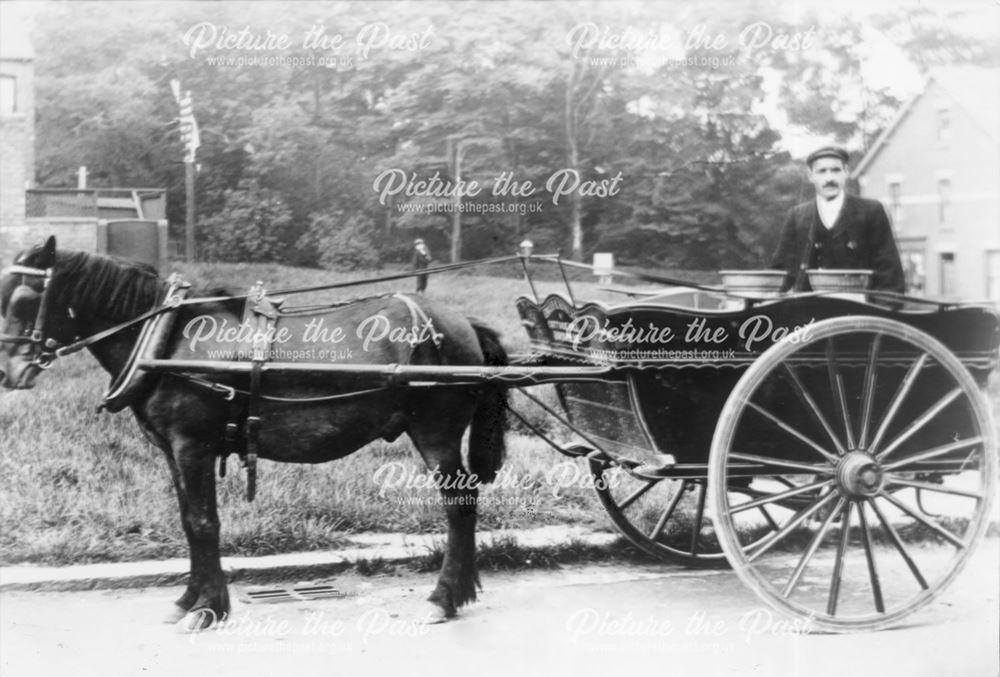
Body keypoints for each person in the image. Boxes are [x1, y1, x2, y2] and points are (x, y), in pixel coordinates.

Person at [771, 146, 905, 293]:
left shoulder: (871, 211)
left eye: (836, 170)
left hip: (858, 307)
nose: (829, 178)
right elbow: (781, 271)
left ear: (846, 172)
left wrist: (881, 310)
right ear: (811, 176)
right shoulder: (797, 217)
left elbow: (889, 272)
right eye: (822, 171)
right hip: (808, 309)